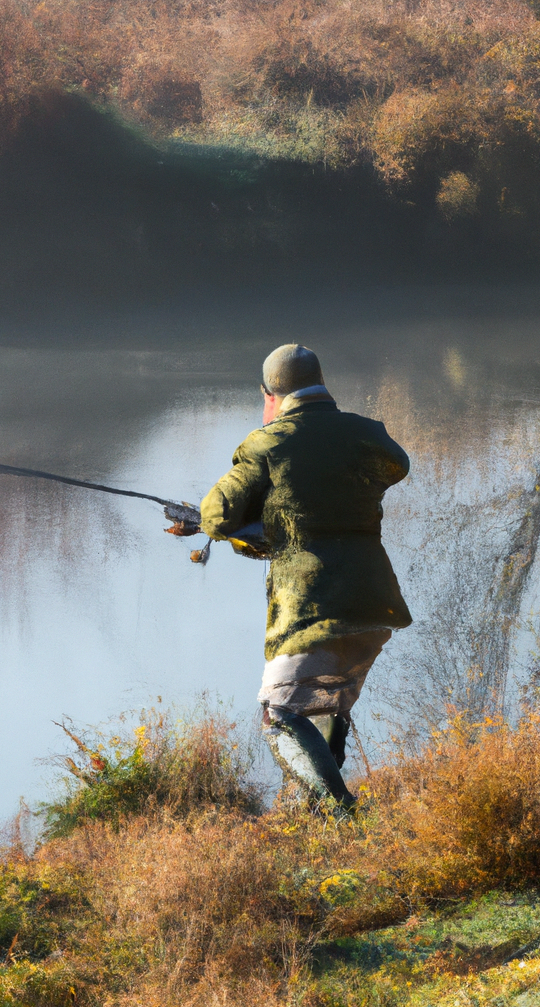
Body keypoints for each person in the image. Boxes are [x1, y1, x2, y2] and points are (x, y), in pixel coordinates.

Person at [199, 344, 411, 809]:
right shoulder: (367, 434)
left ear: (270, 394)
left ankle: (341, 811)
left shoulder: (268, 443)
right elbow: (394, 468)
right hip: (374, 602)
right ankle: (317, 816)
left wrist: (259, 522)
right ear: (321, 384)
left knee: (278, 715)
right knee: (327, 704)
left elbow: (216, 516)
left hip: (311, 604)